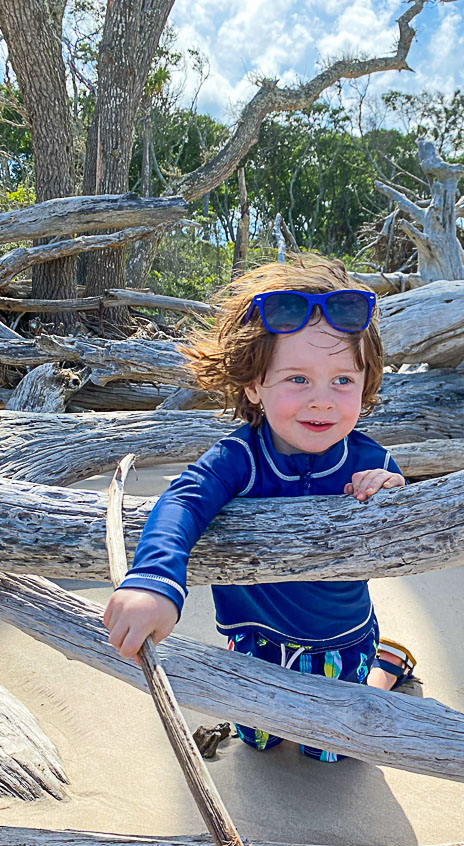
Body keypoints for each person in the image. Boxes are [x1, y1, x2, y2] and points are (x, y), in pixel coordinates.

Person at [104, 255, 416, 762]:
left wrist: (390, 487)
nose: (322, 401)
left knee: (339, 747)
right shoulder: (240, 457)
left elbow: (404, 517)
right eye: (297, 379)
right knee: (258, 741)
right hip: (254, 643)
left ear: (366, 383)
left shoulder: (368, 458)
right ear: (255, 385)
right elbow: (182, 501)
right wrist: (154, 582)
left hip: (341, 641)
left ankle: (386, 667)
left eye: (343, 381)